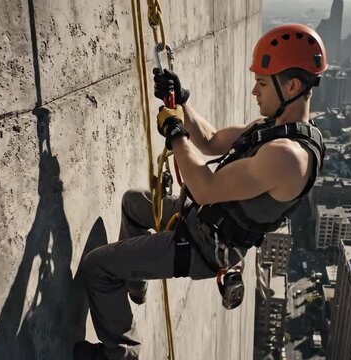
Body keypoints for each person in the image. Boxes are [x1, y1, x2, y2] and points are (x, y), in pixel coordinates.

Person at [74, 23, 327, 360]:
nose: (254, 92)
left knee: (97, 267)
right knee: (134, 202)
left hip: (204, 246)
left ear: (292, 86)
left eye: (262, 83)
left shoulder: (287, 157)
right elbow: (210, 141)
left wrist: (176, 132)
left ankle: (119, 354)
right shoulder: (274, 129)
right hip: (200, 219)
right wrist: (183, 101)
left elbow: (205, 188)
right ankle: (135, 281)